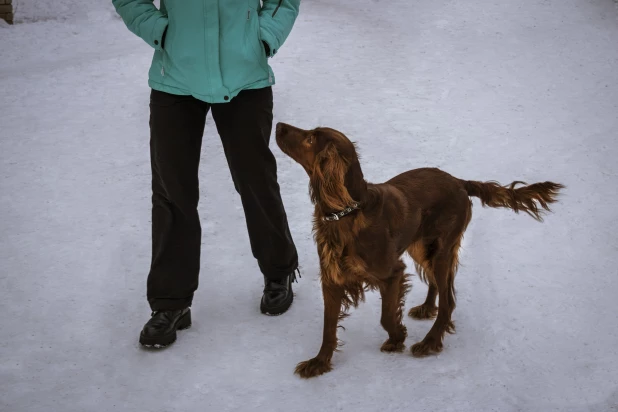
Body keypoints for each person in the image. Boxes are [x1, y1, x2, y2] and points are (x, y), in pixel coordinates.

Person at [112, 0, 301, 348]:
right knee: (172, 191)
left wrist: (262, 37)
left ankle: (279, 271)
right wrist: (160, 30)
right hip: (175, 78)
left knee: (255, 180)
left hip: (246, 76)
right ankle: (171, 303)